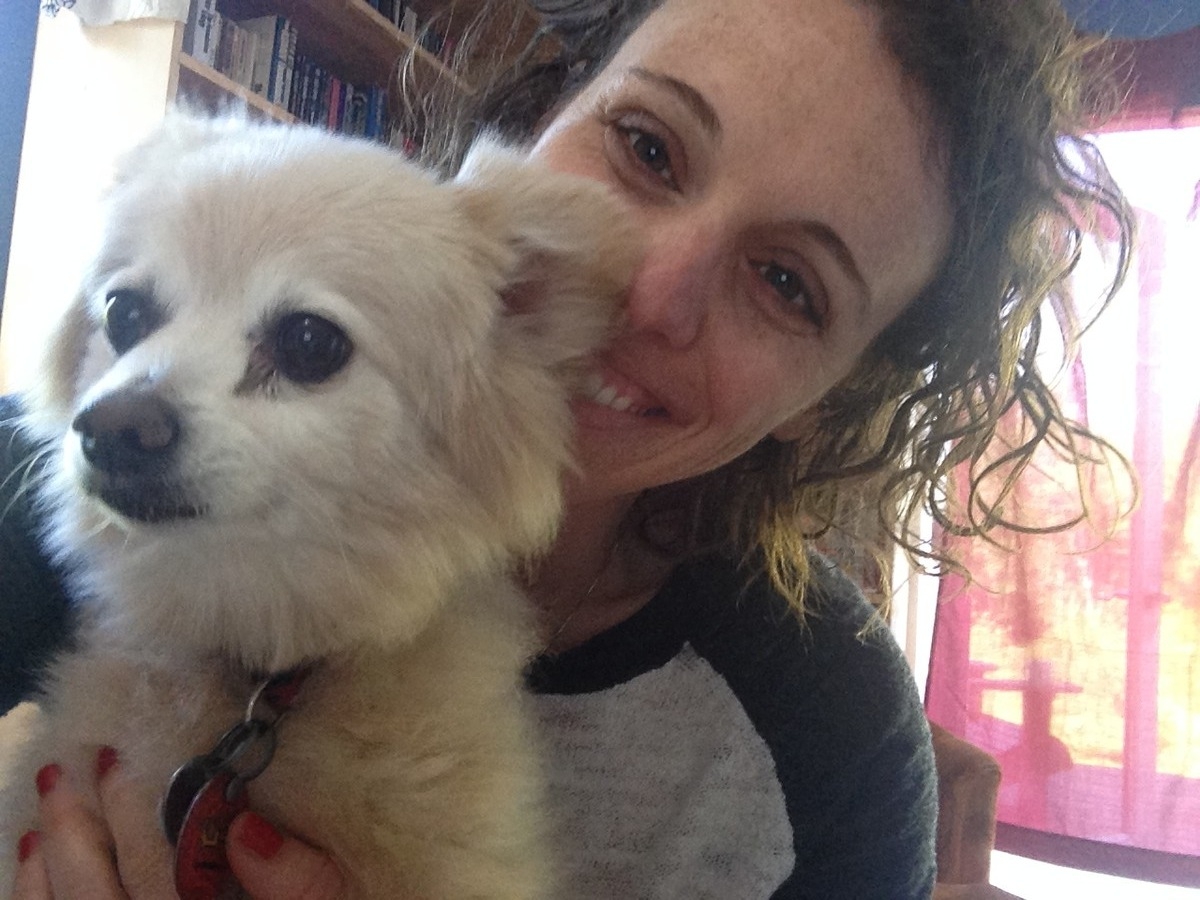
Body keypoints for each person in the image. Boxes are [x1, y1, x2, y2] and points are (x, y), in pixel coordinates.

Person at [1, 0, 1132, 897]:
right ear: (545, 113)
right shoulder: (65, 489)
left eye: (788, 283)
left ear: (828, 404)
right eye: (646, 146)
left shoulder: (823, 733)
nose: (649, 290)